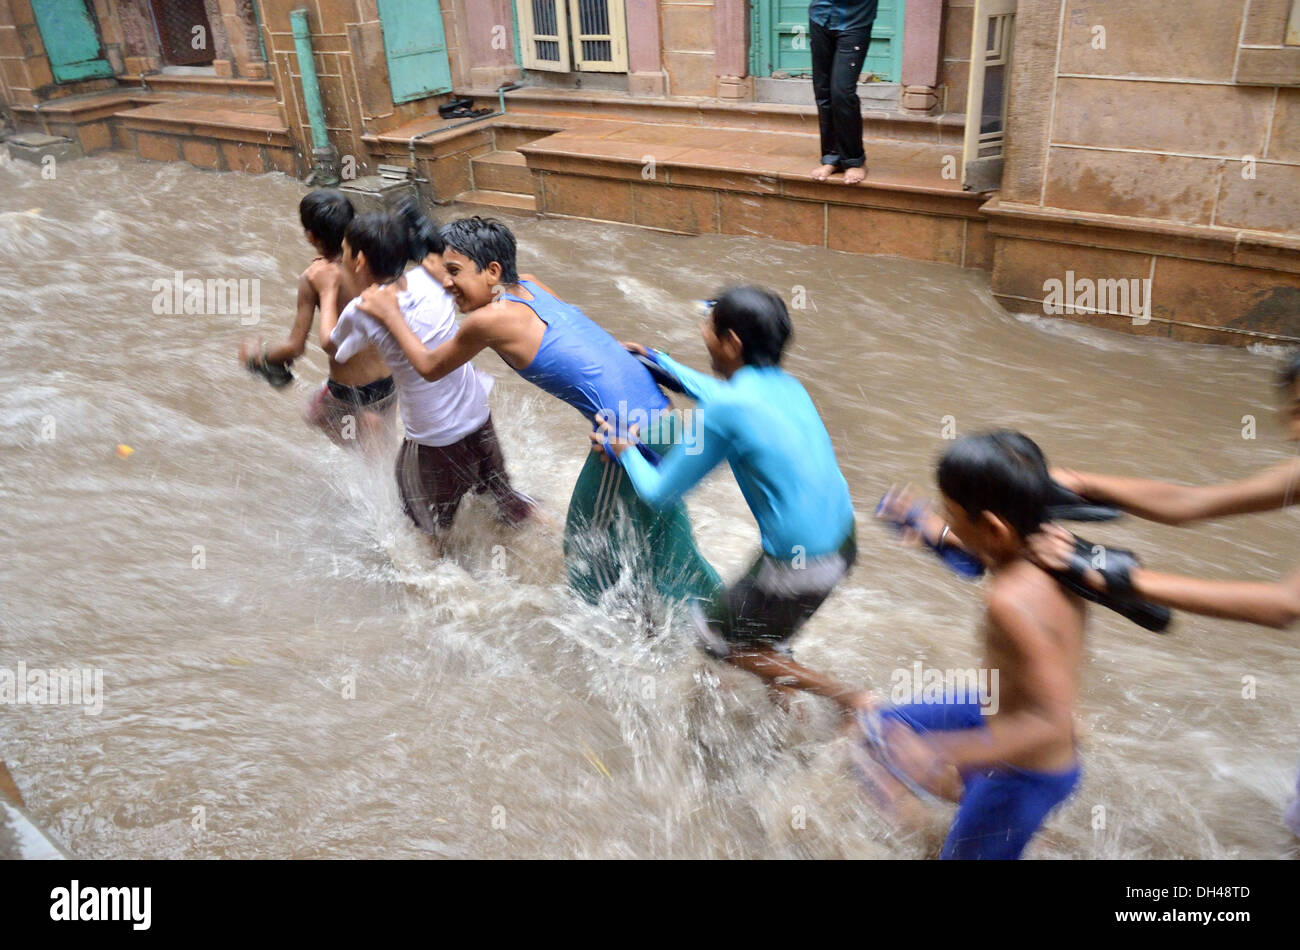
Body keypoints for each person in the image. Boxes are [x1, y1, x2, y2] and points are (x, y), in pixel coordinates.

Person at [351, 215, 720, 608]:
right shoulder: (529, 285)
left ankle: (612, 632)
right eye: (445, 271)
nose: (446, 283)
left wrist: (390, 313)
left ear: (492, 271)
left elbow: (428, 367)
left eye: (455, 271)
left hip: (632, 435)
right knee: (660, 534)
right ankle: (711, 616)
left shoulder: (487, 320)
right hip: (660, 419)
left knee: (585, 541)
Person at [596, 287, 862, 711]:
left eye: (708, 326)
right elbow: (727, 397)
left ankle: (851, 701)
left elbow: (660, 492)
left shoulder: (725, 410)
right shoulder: (788, 387)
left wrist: (625, 448)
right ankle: (788, 717)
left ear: (732, 342)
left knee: (714, 639)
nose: (703, 333)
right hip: (842, 546)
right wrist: (661, 362)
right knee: (768, 638)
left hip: (799, 564)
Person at [852, 432, 1087, 859]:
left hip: (1026, 771)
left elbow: (1049, 724)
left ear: (994, 529)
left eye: (952, 513)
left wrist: (941, 750)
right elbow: (988, 554)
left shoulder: (1009, 603)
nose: (944, 517)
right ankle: (984, 822)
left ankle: (995, 822)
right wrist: (934, 531)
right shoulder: (1054, 549)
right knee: (875, 731)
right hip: (993, 709)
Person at [316, 211, 533, 541]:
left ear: (358, 260)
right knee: (508, 504)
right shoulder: (435, 278)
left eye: (345, 253)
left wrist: (327, 293)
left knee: (426, 532)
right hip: (478, 416)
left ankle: (449, 588)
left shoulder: (363, 308)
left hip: (434, 439)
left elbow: (332, 346)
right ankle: (549, 532)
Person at [238, 190, 396, 456]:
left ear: (310, 236)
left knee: (316, 413)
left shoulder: (314, 278)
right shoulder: (373, 261)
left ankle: (362, 444)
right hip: (390, 379)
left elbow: (295, 347)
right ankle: (376, 440)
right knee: (385, 448)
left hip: (349, 390)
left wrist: (258, 358)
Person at [809, 0, 878, 184]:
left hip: (855, 20)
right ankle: (832, 158)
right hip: (821, 16)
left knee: (842, 93)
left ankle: (854, 160)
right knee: (824, 92)